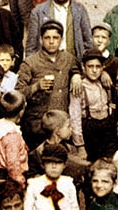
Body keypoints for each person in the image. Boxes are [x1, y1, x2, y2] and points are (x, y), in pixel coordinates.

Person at [18, 20, 79, 148]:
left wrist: (77, 75)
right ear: (41, 40)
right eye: (47, 38)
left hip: (61, 124)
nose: (51, 42)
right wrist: (36, 86)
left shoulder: (68, 59)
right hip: (38, 124)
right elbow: (18, 93)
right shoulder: (30, 62)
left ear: (61, 40)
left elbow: (77, 70)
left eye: (55, 38)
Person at [26, 0, 93, 59]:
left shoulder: (80, 11)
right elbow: (31, 47)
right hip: (46, 65)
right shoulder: (38, 12)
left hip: (73, 63)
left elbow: (88, 42)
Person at [70, 51, 116, 163]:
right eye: (90, 66)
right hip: (89, 132)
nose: (94, 70)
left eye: (98, 67)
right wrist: (80, 145)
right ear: (83, 67)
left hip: (106, 131)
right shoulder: (79, 86)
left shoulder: (104, 82)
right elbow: (75, 117)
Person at [24, 143, 78, 210]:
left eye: (58, 163)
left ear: (64, 165)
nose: (54, 166)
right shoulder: (34, 185)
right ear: (43, 164)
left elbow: (74, 207)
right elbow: (28, 207)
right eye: (49, 162)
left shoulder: (68, 184)